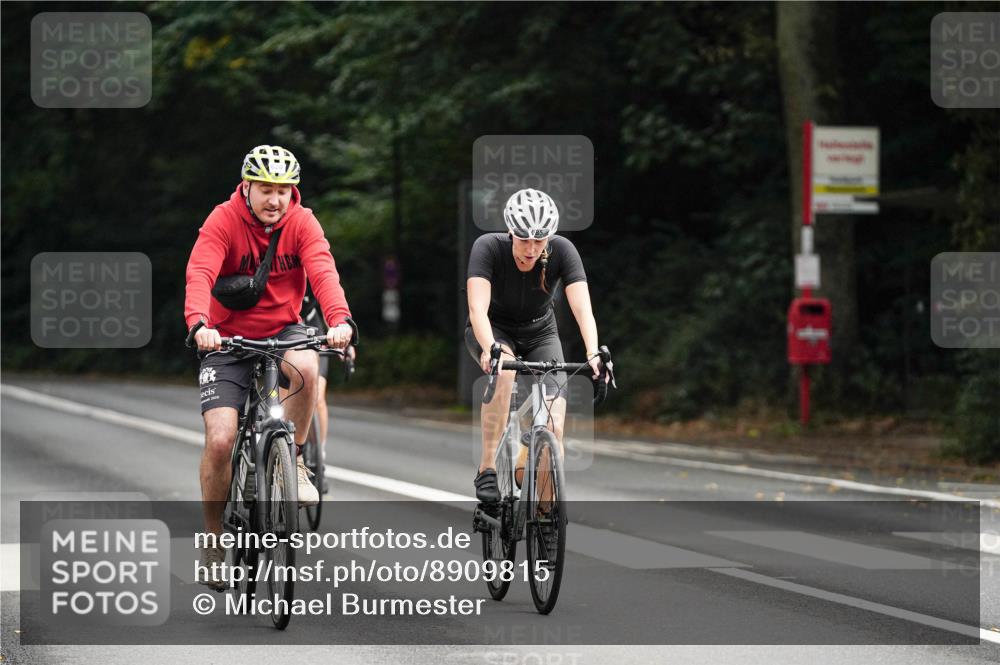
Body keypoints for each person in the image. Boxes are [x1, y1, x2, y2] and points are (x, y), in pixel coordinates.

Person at [185, 145, 354, 589]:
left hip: (284, 331)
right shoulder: (223, 219)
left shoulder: (302, 222)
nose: (274, 199)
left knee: (308, 367)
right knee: (221, 439)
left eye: (283, 190)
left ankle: (293, 460)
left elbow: (323, 272)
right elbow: (200, 273)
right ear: (248, 187)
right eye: (266, 189)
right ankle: (213, 537)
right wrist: (199, 323)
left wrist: (339, 320)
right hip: (226, 339)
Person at [465, 187, 607, 503]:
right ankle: (487, 465)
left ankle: (544, 515)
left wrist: (593, 352)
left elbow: (583, 309)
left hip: (541, 332)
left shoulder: (563, 251)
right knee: (504, 375)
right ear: (509, 231)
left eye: (539, 240)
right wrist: (491, 349)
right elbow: (477, 309)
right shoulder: (487, 248)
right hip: (494, 329)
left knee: (554, 420)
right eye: (523, 239)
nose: (531, 248)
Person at [301, 282, 357, 490]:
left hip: (312, 328)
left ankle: (319, 455)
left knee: (317, 397)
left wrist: (345, 342)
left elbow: (328, 302)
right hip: (282, 328)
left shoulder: (309, 260)